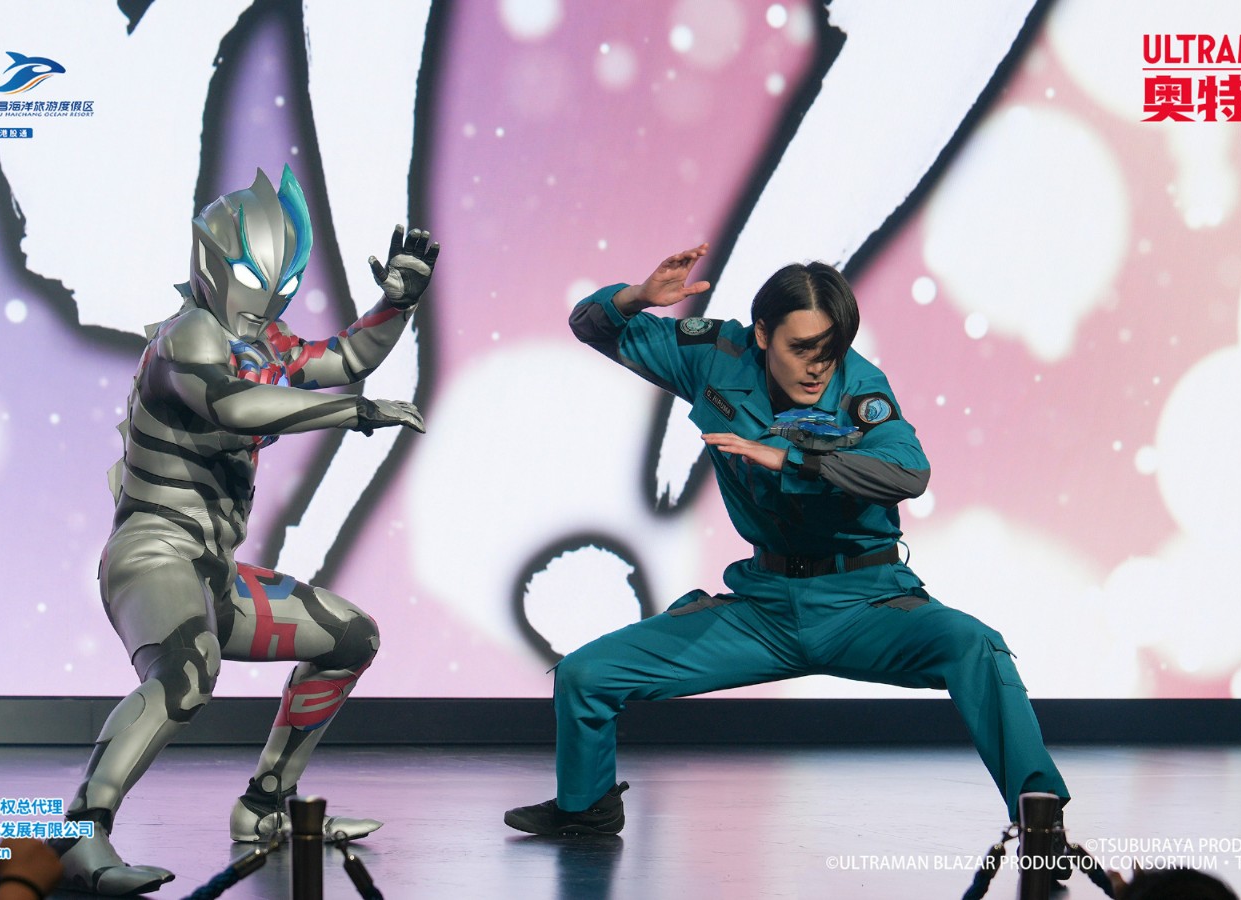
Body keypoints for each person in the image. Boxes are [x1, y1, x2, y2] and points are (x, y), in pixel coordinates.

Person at [505, 243, 1068, 836]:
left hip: (865, 603)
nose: (817, 367)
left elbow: (910, 473)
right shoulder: (718, 359)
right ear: (762, 334)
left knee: (978, 647)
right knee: (585, 676)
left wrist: (795, 460)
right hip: (764, 610)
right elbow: (593, 326)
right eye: (801, 349)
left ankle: (1042, 820)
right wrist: (637, 298)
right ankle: (587, 808)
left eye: (829, 350)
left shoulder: (861, 390)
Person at [53, 166, 438, 894]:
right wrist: (351, 411)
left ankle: (266, 806)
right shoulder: (188, 337)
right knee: (186, 674)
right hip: (152, 555)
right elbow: (234, 406)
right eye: (260, 279)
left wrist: (397, 303)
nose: (270, 299)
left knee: (349, 638)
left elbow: (347, 356)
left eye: (283, 282)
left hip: (215, 574)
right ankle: (78, 833)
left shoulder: (269, 345)